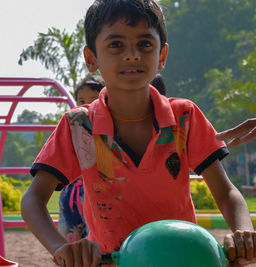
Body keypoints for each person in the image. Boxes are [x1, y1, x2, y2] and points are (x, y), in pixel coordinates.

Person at [21, 1, 256, 266]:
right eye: (115, 45)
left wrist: (243, 232)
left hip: (181, 259)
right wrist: (62, 247)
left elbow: (226, 194)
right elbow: (33, 200)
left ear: (162, 55)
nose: (132, 54)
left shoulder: (185, 117)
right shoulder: (78, 126)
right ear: (91, 59)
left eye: (145, 44)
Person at [58, 75, 105, 243]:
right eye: (81, 100)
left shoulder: (111, 131)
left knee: (98, 241)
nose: (86, 104)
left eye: (93, 100)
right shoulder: (73, 128)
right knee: (70, 240)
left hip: (98, 194)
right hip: (71, 193)